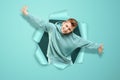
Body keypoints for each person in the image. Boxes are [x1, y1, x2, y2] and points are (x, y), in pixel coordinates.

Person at [21, 6, 103, 67]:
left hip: (66, 63)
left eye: (69, 29)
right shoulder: (52, 28)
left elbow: (86, 43)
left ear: (71, 31)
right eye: (66, 26)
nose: (66, 29)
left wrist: (98, 46)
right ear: (63, 23)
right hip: (52, 61)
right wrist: (27, 14)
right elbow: (40, 22)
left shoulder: (75, 39)